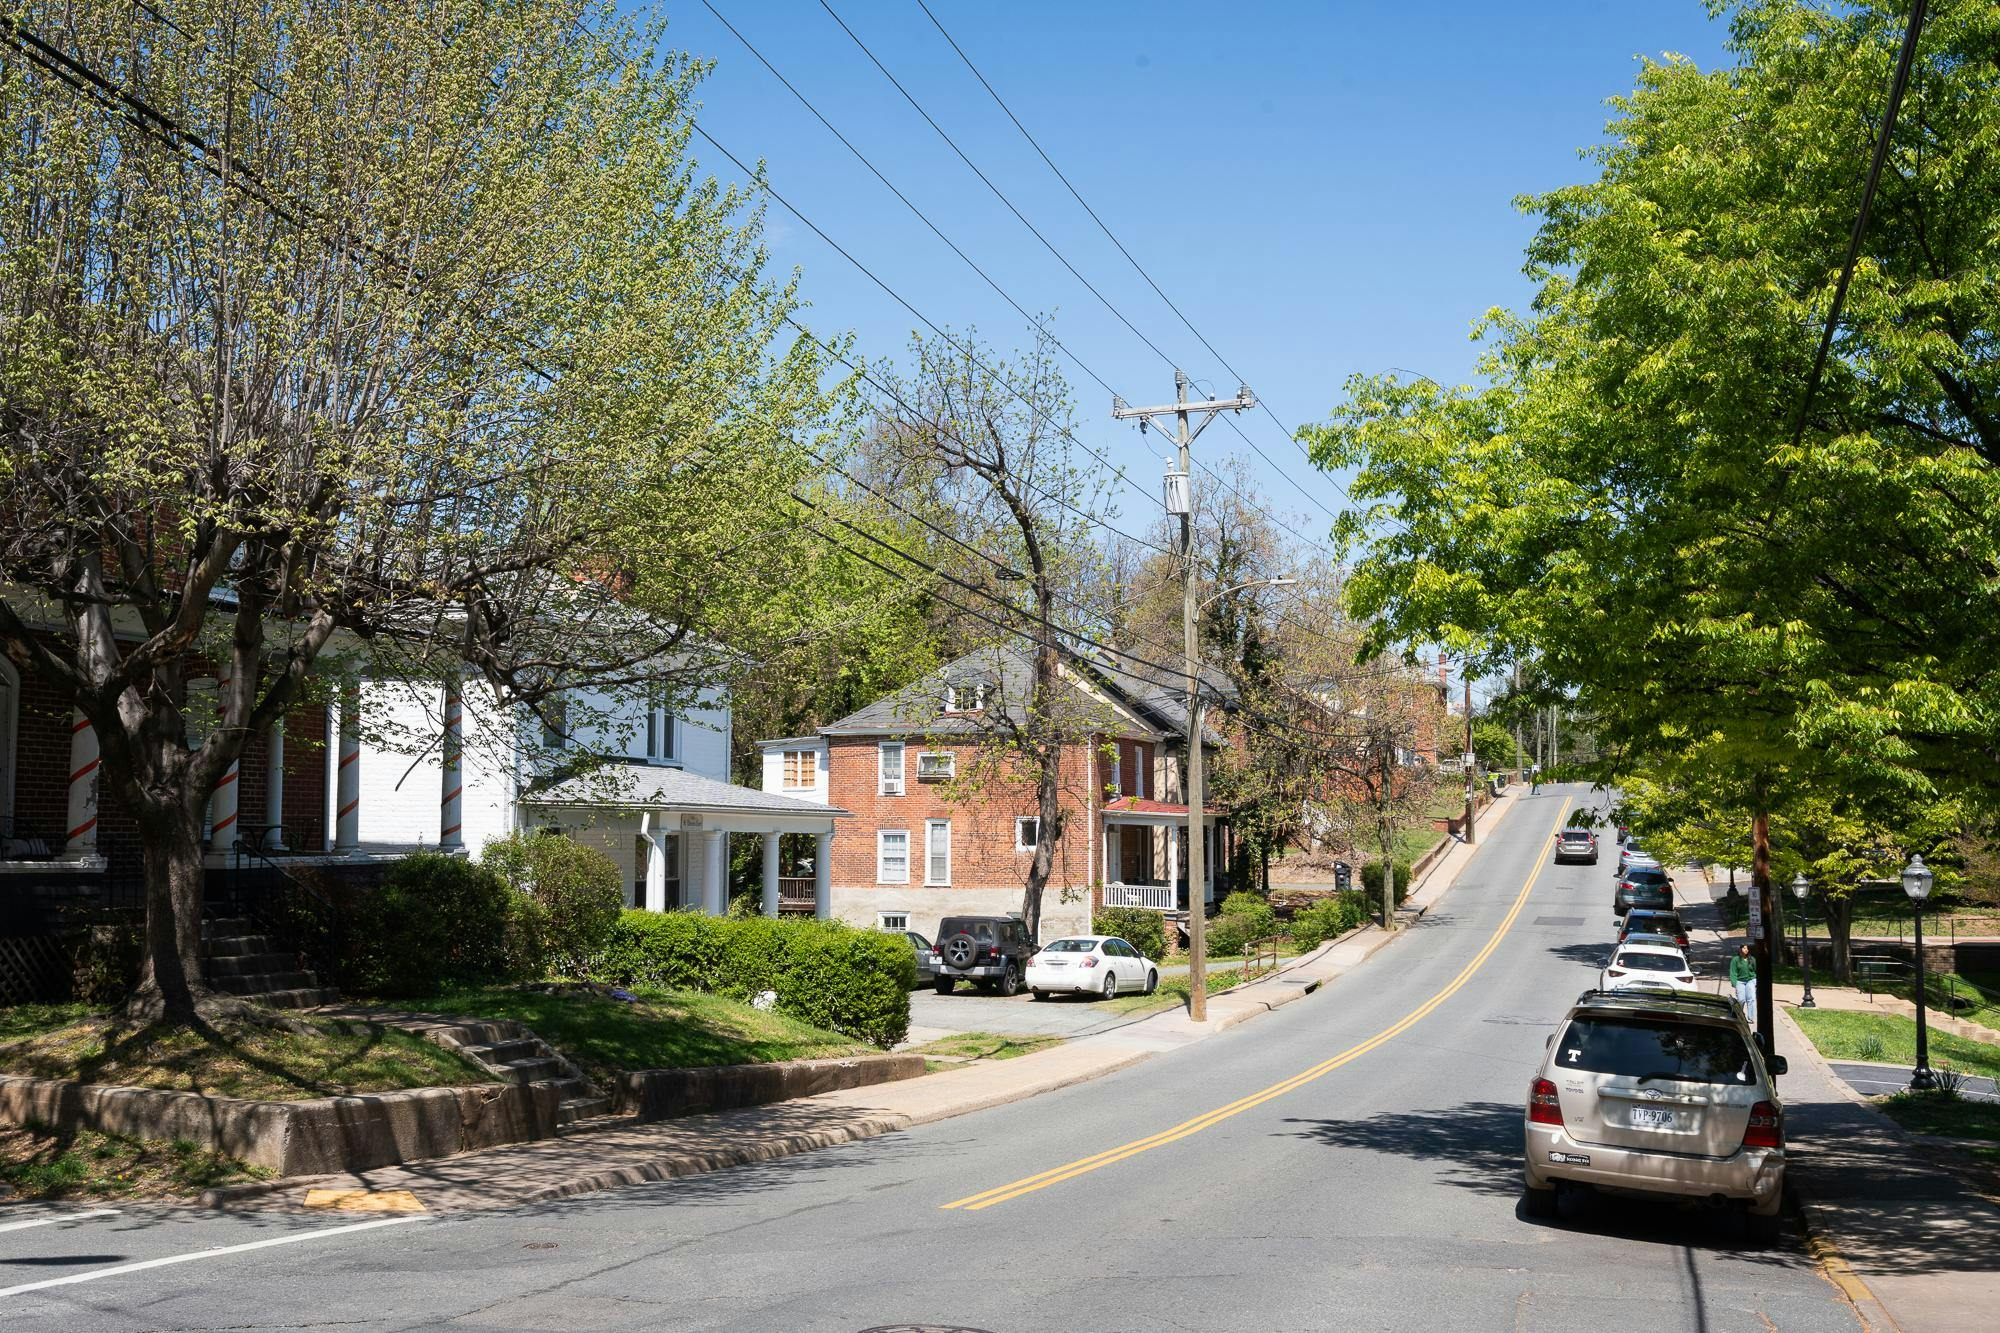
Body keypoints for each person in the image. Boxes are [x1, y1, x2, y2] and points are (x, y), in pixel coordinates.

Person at [1729, 943, 1757, 1012]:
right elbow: (1733, 972)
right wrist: (1735, 984)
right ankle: (1739, 1013)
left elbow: (1756, 970)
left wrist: (1755, 981)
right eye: (1744, 948)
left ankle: (1750, 1017)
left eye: (1747, 948)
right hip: (1740, 981)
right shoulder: (1735, 959)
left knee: (1751, 999)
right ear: (1740, 949)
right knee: (1741, 1000)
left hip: (1750, 981)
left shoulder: (1752, 959)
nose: (1746, 950)